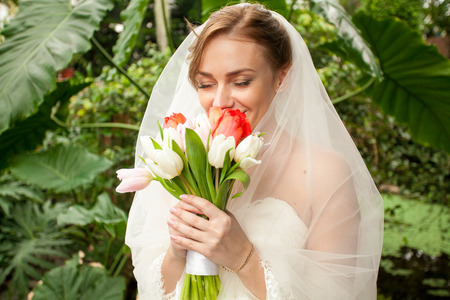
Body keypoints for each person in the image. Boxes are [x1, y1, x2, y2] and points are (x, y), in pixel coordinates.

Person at [125, 3, 384, 299]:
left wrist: (242, 257)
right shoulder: (178, 157)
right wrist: (178, 251)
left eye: (241, 82)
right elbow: (149, 281)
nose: (220, 101)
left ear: (281, 77)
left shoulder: (327, 173)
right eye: (206, 83)